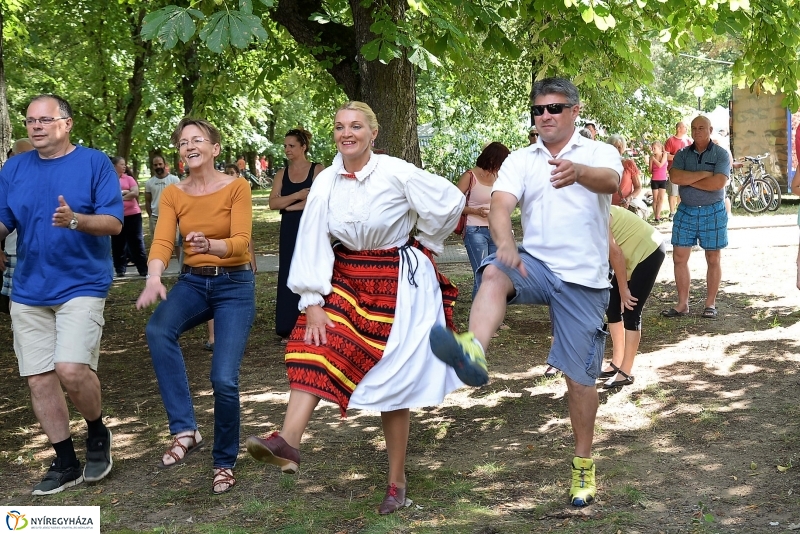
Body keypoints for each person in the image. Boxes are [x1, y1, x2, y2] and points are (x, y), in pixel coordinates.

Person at [245, 101, 465, 514]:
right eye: (340, 126)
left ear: (372, 133)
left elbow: (449, 202)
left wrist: (426, 245)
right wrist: (311, 300)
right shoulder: (327, 180)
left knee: (392, 381)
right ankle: (289, 442)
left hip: (397, 280)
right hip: (346, 274)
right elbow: (311, 237)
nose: (347, 133)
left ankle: (396, 483)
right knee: (314, 341)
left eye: (356, 126)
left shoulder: (396, 171)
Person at [428, 77, 622, 507]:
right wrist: (503, 241)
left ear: (574, 110)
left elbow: (612, 182)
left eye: (554, 108)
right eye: (538, 110)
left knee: (579, 381)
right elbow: (500, 205)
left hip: (585, 279)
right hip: (535, 263)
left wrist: (579, 173)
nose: (545, 116)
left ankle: (583, 467)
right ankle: (472, 350)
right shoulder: (522, 158)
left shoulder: (598, 151)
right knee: (494, 273)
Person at [0, 94, 123, 495]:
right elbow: (4, 221)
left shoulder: (94, 163)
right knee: (39, 379)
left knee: (70, 368)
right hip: (29, 288)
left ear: (66, 124)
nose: (35, 126)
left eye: (45, 119)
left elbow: (113, 223)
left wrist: (75, 220)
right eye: (30, 120)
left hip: (81, 283)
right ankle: (65, 460)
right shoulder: (14, 167)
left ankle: (96, 430)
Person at [136, 118, 255, 495]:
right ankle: (186, 429)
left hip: (235, 285)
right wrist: (154, 277)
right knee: (158, 329)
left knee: (223, 378)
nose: (189, 145)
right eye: (183, 141)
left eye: (198, 139)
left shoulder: (237, 187)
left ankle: (224, 461)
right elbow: (161, 243)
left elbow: (240, 244)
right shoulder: (173, 193)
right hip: (193, 283)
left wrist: (211, 247)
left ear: (214, 149)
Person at [661, 115, 730, 320]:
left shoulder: (721, 154)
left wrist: (690, 179)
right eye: (694, 128)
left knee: (713, 258)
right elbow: (675, 177)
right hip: (686, 210)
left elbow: (718, 183)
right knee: (679, 257)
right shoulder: (682, 153)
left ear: (710, 129)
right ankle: (682, 304)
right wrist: (704, 174)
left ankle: (710, 304)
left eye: (701, 127)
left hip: (713, 211)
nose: (697, 131)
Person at [598, 205, 666, 388]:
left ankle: (626, 372)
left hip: (649, 251)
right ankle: (616, 362)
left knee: (631, 309)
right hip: (628, 254)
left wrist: (623, 289)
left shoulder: (595, 214)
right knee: (612, 307)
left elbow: (615, 252)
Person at [269, 128, 324, 342]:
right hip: (290, 227)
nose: (287, 149)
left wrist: (288, 205)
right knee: (289, 271)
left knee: (311, 269)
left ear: (303, 147)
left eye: (291, 146)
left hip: (312, 227)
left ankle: (313, 321)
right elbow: (273, 203)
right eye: (285, 146)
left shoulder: (317, 170)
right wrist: (299, 196)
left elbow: (319, 201)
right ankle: (288, 326)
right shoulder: (282, 173)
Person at [203, 164, 259, 351]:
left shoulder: (241, 195)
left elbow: (246, 235)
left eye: (233, 174)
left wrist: (252, 258)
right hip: (213, 258)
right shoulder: (211, 195)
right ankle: (212, 337)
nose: (229, 177)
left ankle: (230, 338)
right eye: (226, 174)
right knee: (211, 299)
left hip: (236, 264)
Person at [455, 142, 511, 298]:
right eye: (501, 162)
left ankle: (493, 319)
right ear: (492, 159)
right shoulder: (469, 176)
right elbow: (453, 204)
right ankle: (480, 320)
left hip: (496, 230)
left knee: (496, 274)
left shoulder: (499, 177)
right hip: (475, 230)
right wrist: (475, 211)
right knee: (482, 274)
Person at [1, 139, 35, 313]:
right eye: (22, 154)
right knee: (17, 301)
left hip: (39, 253)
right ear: (12, 156)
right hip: (14, 251)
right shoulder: (6, 181)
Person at [110, 156, 148, 278]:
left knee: (136, 242)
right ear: (115, 166)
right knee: (118, 243)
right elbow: (109, 195)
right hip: (117, 216)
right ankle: (120, 269)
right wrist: (126, 192)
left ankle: (143, 269)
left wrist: (120, 197)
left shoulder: (129, 178)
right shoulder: (109, 179)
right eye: (121, 164)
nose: (124, 166)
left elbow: (135, 193)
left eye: (125, 164)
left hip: (133, 215)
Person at [144, 155, 180, 237]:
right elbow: (147, 201)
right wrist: (151, 216)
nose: (158, 166)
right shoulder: (149, 183)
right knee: (158, 242)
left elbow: (179, 199)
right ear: (153, 166)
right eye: (155, 165)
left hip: (172, 216)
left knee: (176, 242)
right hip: (155, 218)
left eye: (160, 164)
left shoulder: (174, 180)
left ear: (164, 164)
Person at [664, 121, 692, 221]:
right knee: (673, 192)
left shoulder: (688, 141)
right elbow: (666, 156)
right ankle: (672, 212)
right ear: (679, 129)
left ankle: (680, 211)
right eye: (684, 127)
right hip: (673, 170)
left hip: (685, 171)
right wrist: (678, 157)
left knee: (682, 192)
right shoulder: (670, 140)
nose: (686, 129)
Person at [608, 135, 642, 209]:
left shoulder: (629, 164)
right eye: (614, 147)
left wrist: (629, 198)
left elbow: (638, 187)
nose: (616, 149)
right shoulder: (603, 164)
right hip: (607, 208)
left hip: (624, 208)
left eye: (619, 147)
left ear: (623, 148)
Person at [649, 141, 669, 223]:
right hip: (654, 180)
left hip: (663, 179)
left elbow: (661, 165)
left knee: (661, 198)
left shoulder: (664, 155)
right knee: (655, 199)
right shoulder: (652, 157)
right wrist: (651, 161)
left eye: (655, 148)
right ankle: (656, 216)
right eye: (652, 148)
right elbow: (650, 171)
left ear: (660, 148)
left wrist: (653, 159)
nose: (653, 150)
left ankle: (657, 216)